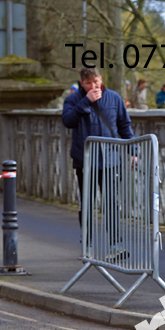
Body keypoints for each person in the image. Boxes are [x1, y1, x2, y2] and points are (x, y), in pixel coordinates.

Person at [62, 67, 134, 260]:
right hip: (85, 161)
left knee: (111, 203)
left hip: (110, 161)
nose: (93, 86)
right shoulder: (73, 100)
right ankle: (88, 245)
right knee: (87, 204)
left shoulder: (114, 98)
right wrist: (86, 101)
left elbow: (124, 125)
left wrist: (133, 151)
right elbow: (67, 121)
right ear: (82, 84)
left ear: (101, 79)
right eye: (88, 83)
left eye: (96, 82)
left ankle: (115, 246)